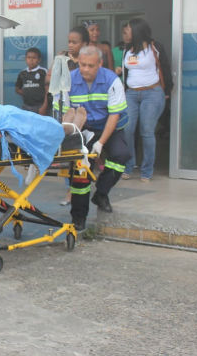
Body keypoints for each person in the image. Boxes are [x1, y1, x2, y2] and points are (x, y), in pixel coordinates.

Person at [53, 45, 129, 230]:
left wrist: (101, 143)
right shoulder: (68, 81)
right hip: (83, 128)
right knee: (80, 170)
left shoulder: (112, 80)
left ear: (100, 64)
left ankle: (101, 192)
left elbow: (114, 115)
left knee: (121, 155)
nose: (86, 69)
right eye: (83, 65)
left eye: (91, 66)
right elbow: (65, 116)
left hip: (109, 126)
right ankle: (78, 218)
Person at [121, 18, 172, 182]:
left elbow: (165, 67)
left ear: (136, 31)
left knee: (147, 131)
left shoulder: (154, 47)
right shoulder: (127, 49)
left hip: (152, 93)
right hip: (131, 94)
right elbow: (126, 72)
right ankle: (129, 166)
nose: (125, 33)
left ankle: (146, 171)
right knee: (127, 129)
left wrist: (167, 90)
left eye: (127, 30)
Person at [49, 26, 90, 206]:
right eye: (69, 41)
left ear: (85, 44)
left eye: (75, 42)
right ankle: (70, 188)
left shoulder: (88, 62)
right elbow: (49, 80)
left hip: (77, 111)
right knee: (66, 150)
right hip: (60, 108)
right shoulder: (62, 59)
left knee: (76, 150)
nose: (71, 45)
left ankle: (73, 191)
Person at [15, 47, 50, 116]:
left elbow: (48, 91)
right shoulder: (22, 73)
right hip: (26, 106)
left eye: (34, 58)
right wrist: (27, 93)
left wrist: (44, 106)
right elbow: (17, 89)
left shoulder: (43, 72)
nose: (31, 60)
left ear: (39, 60)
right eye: (29, 57)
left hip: (40, 106)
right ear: (25, 59)